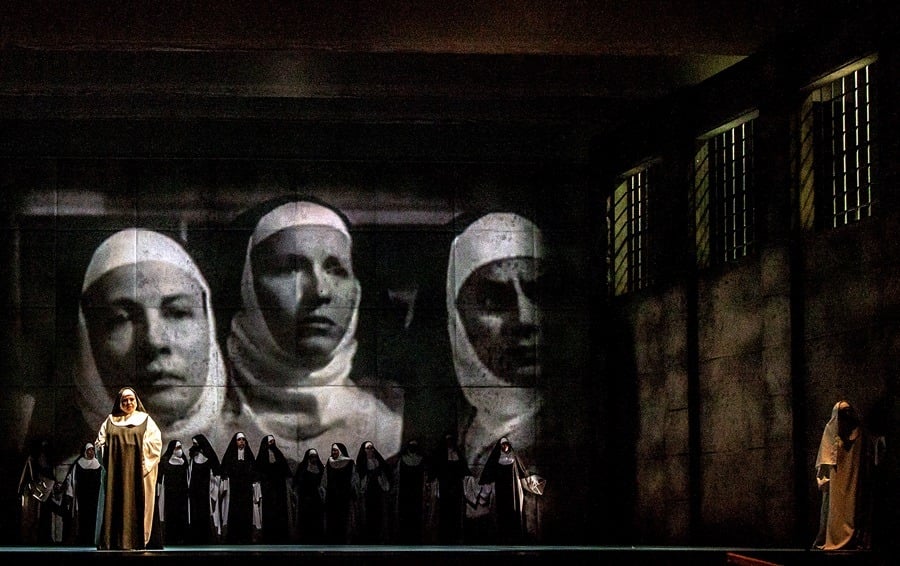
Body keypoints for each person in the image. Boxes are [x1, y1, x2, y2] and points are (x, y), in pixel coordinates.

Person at [222, 196, 403, 466]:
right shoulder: (201, 430)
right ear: (247, 287)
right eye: (291, 269)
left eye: (337, 270)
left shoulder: (394, 429)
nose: (320, 291)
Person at [74, 228, 227, 456]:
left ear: (209, 324)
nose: (154, 342)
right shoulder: (62, 487)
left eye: (177, 313)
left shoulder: (270, 475)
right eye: (120, 319)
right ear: (88, 341)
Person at [446, 212, 548, 476]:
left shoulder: (579, 437)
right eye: (494, 300)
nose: (526, 319)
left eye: (538, 294)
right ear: (458, 319)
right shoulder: (461, 433)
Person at [94, 386, 163, 550]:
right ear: (119, 402)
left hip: (137, 473)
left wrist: (139, 463)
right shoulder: (111, 420)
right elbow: (100, 443)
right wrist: (109, 456)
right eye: (124, 400)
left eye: (131, 399)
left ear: (136, 401)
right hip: (115, 473)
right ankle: (113, 539)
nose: (128, 402)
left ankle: (136, 540)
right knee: (114, 504)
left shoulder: (145, 419)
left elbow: (155, 444)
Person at [813, 400, 881, 550]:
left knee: (855, 507)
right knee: (835, 511)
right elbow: (825, 460)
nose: (847, 417)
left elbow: (868, 455)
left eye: (849, 413)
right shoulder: (831, 433)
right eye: (843, 414)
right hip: (837, 482)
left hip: (855, 480)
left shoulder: (860, 435)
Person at [475, 436, 545, 544]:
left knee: (514, 510)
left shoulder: (514, 457)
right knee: (502, 511)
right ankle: (503, 537)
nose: (505, 446)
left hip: (514, 490)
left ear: (509, 445)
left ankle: (515, 537)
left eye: (506, 444)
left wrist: (533, 482)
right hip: (501, 490)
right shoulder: (496, 458)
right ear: (500, 446)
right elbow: (488, 474)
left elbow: (522, 472)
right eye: (502, 445)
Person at [219, 432, 260, 544]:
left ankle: (246, 536)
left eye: (243, 439)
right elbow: (225, 469)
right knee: (234, 511)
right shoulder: (230, 456)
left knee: (246, 512)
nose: (242, 441)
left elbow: (254, 471)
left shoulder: (249, 456)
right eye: (239, 439)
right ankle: (233, 536)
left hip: (246, 489)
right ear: (235, 442)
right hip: (234, 489)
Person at [429, 432, 470, 544]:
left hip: (456, 487)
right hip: (445, 486)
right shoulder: (441, 455)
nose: (449, 443)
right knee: (445, 511)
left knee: (456, 512)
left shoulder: (458, 454)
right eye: (448, 441)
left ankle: (455, 536)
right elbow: (436, 469)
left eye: (451, 440)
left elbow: (463, 468)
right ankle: (444, 536)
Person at [254, 435, 292, 544]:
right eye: (270, 442)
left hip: (279, 487)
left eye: (273, 441)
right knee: (269, 510)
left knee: (280, 510)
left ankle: (281, 535)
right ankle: (269, 536)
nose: (272, 444)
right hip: (268, 488)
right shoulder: (262, 456)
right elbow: (259, 470)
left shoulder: (278, 454)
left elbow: (285, 469)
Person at [185, 433, 222, 544]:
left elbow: (216, 474)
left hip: (205, 492)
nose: (195, 446)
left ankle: (205, 537)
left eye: (196, 443)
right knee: (194, 513)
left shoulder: (209, 458)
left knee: (204, 513)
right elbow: (189, 474)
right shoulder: (193, 458)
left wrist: (212, 488)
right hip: (194, 490)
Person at [355, 440, 393, 543]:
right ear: (364, 450)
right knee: (367, 515)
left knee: (379, 514)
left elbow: (385, 475)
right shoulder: (361, 463)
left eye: (372, 448)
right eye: (368, 448)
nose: (370, 450)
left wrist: (378, 474)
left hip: (378, 491)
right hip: (367, 493)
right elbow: (359, 478)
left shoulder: (378, 461)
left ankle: (379, 536)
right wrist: (369, 475)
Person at [64, 442, 102, 546]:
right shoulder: (79, 464)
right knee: (83, 518)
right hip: (82, 497)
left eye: (92, 450)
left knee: (93, 517)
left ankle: (93, 538)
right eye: (89, 450)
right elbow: (71, 479)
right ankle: (82, 538)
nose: (91, 452)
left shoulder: (98, 465)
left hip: (94, 496)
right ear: (85, 451)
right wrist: (70, 494)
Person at [157, 439, 189, 545]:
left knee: (182, 516)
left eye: (180, 447)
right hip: (170, 494)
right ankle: (170, 538)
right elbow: (160, 478)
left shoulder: (184, 461)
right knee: (171, 516)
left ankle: (183, 538)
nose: (179, 450)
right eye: (177, 448)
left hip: (182, 495)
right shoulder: (165, 461)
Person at [323, 442, 357, 544]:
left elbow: (354, 479)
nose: (333, 452)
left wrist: (352, 492)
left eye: (336, 450)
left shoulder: (350, 463)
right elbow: (324, 480)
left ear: (341, 451)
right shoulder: (329, 463)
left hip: (345, 496)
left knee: (345, 520)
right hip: (331, 497)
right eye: (332, 450)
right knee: (332, 520)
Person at [395, 439, 428, 544]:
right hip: (405, 493)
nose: (412, 448)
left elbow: (425, 476)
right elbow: (397, 476)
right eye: (411, 446)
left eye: (415, 446)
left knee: (416, 515)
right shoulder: (402, 459)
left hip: (417, 493)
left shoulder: (421, 460)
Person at [292, 447, 326, 544]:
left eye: (315, 456)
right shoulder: (303, 467)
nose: (314, 459)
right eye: (311, 456)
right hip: (305, 498)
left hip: (317, 498)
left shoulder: (320, 468)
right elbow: (297, 482)